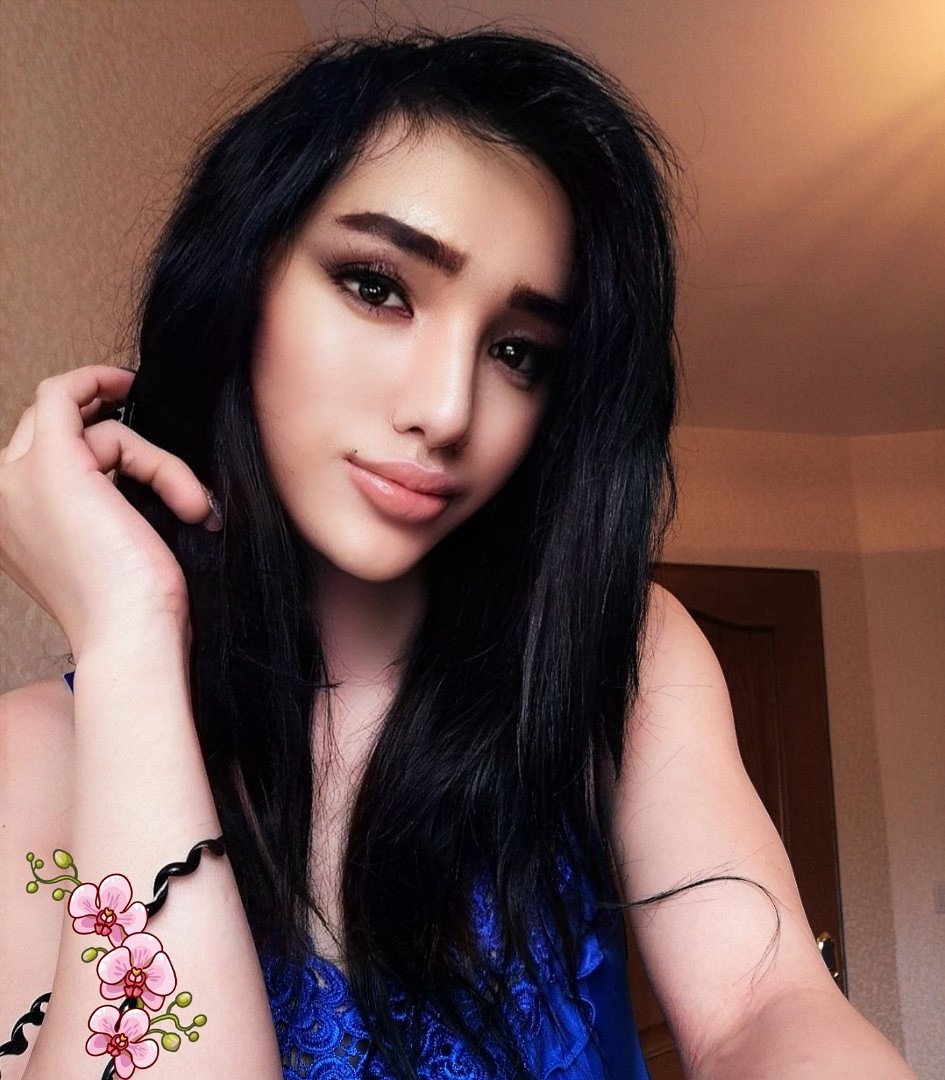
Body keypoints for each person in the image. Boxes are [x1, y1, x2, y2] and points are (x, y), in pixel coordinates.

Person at [0, 28, 914, 1080]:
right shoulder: (38, 754)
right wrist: (128, 634)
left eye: (518, 352)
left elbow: (764, 1002)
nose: (447, 411)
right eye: (376, 287)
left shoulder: (616, 657)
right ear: (241, 283)